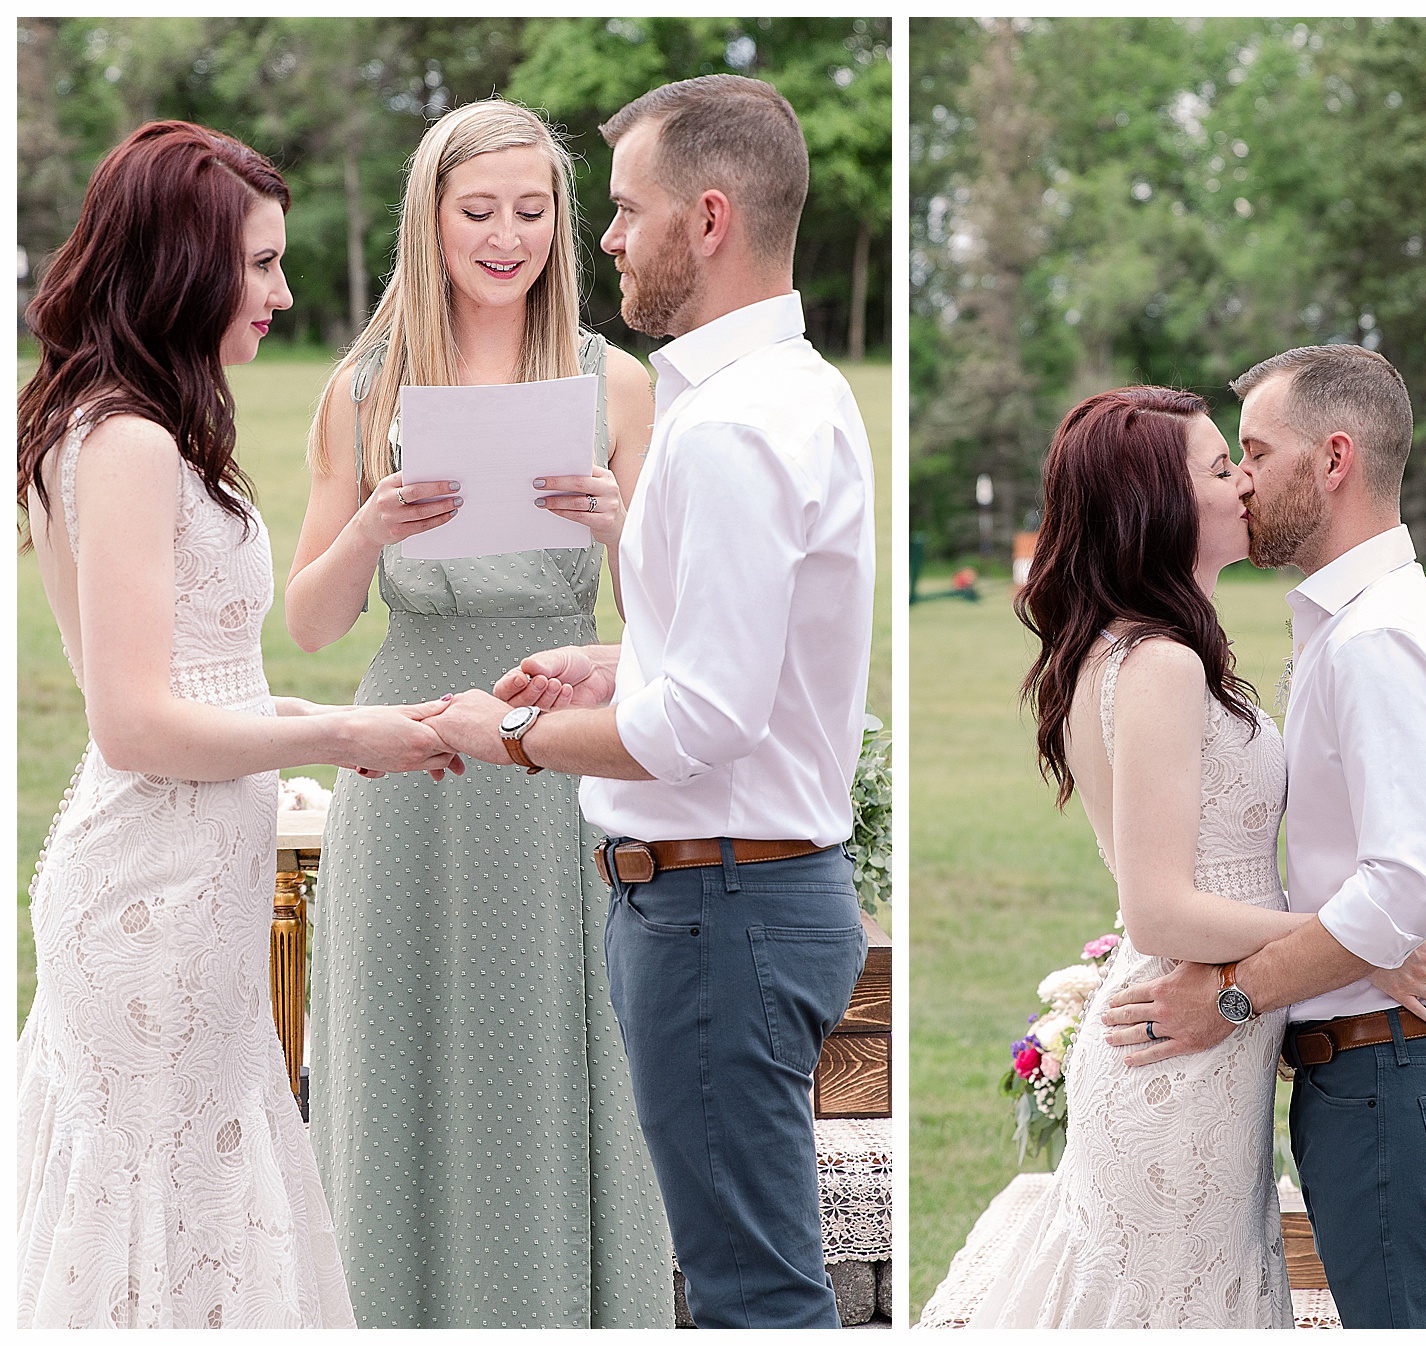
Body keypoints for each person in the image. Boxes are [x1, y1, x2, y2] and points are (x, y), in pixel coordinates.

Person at [425, 75, 876, 1329]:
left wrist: (503, 732)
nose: (606, 237)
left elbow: (704, 727)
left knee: (752, 1295)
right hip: (738, 892)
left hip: (719, 905)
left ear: (711, 217)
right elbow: (751, 663)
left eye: (627, 211)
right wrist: (623, 661)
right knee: (751, 1278)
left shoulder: (732, 426)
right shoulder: (792, 390)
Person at [15, 120, 460, 1329]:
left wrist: (362, 717)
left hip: (196, 897)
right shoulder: (127, 438)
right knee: (149, 1237)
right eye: (260, 265)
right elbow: (137, 725)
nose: (284, 290)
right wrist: (335, 740)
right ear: (181, 265)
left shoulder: (149, 423)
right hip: (146, 900)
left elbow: (209, 686)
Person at [939, 386, 1426, 1329]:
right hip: (1180, 1064)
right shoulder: (1160, 664)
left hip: (1211, 1049)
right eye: (1223, 467)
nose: (1246, 481)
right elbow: (1161, 911)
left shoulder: (1150, 648)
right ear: (1160, 504)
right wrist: (1366, 939)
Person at [284, 99, 668, 1329]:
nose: (507, 235)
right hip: (410, 750)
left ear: (563, 223)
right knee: (400, 1051)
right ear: (429, 220)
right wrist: (371, 526)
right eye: (478, 210)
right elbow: (307, 621)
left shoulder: (618, 383)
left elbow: (669, 625)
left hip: (559, 740)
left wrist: (624, 526)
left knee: (560, 1046)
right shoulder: (363, 389)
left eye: (533, 209)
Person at [1099, 345, 1426, 1329]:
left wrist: (1234, 996)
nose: (1241, 476)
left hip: (1398, 1074)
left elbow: (1403, 884)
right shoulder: (1355, 623)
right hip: (1383, 1068)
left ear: (1332, 460)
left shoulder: (1374, 639)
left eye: (1257, 449)